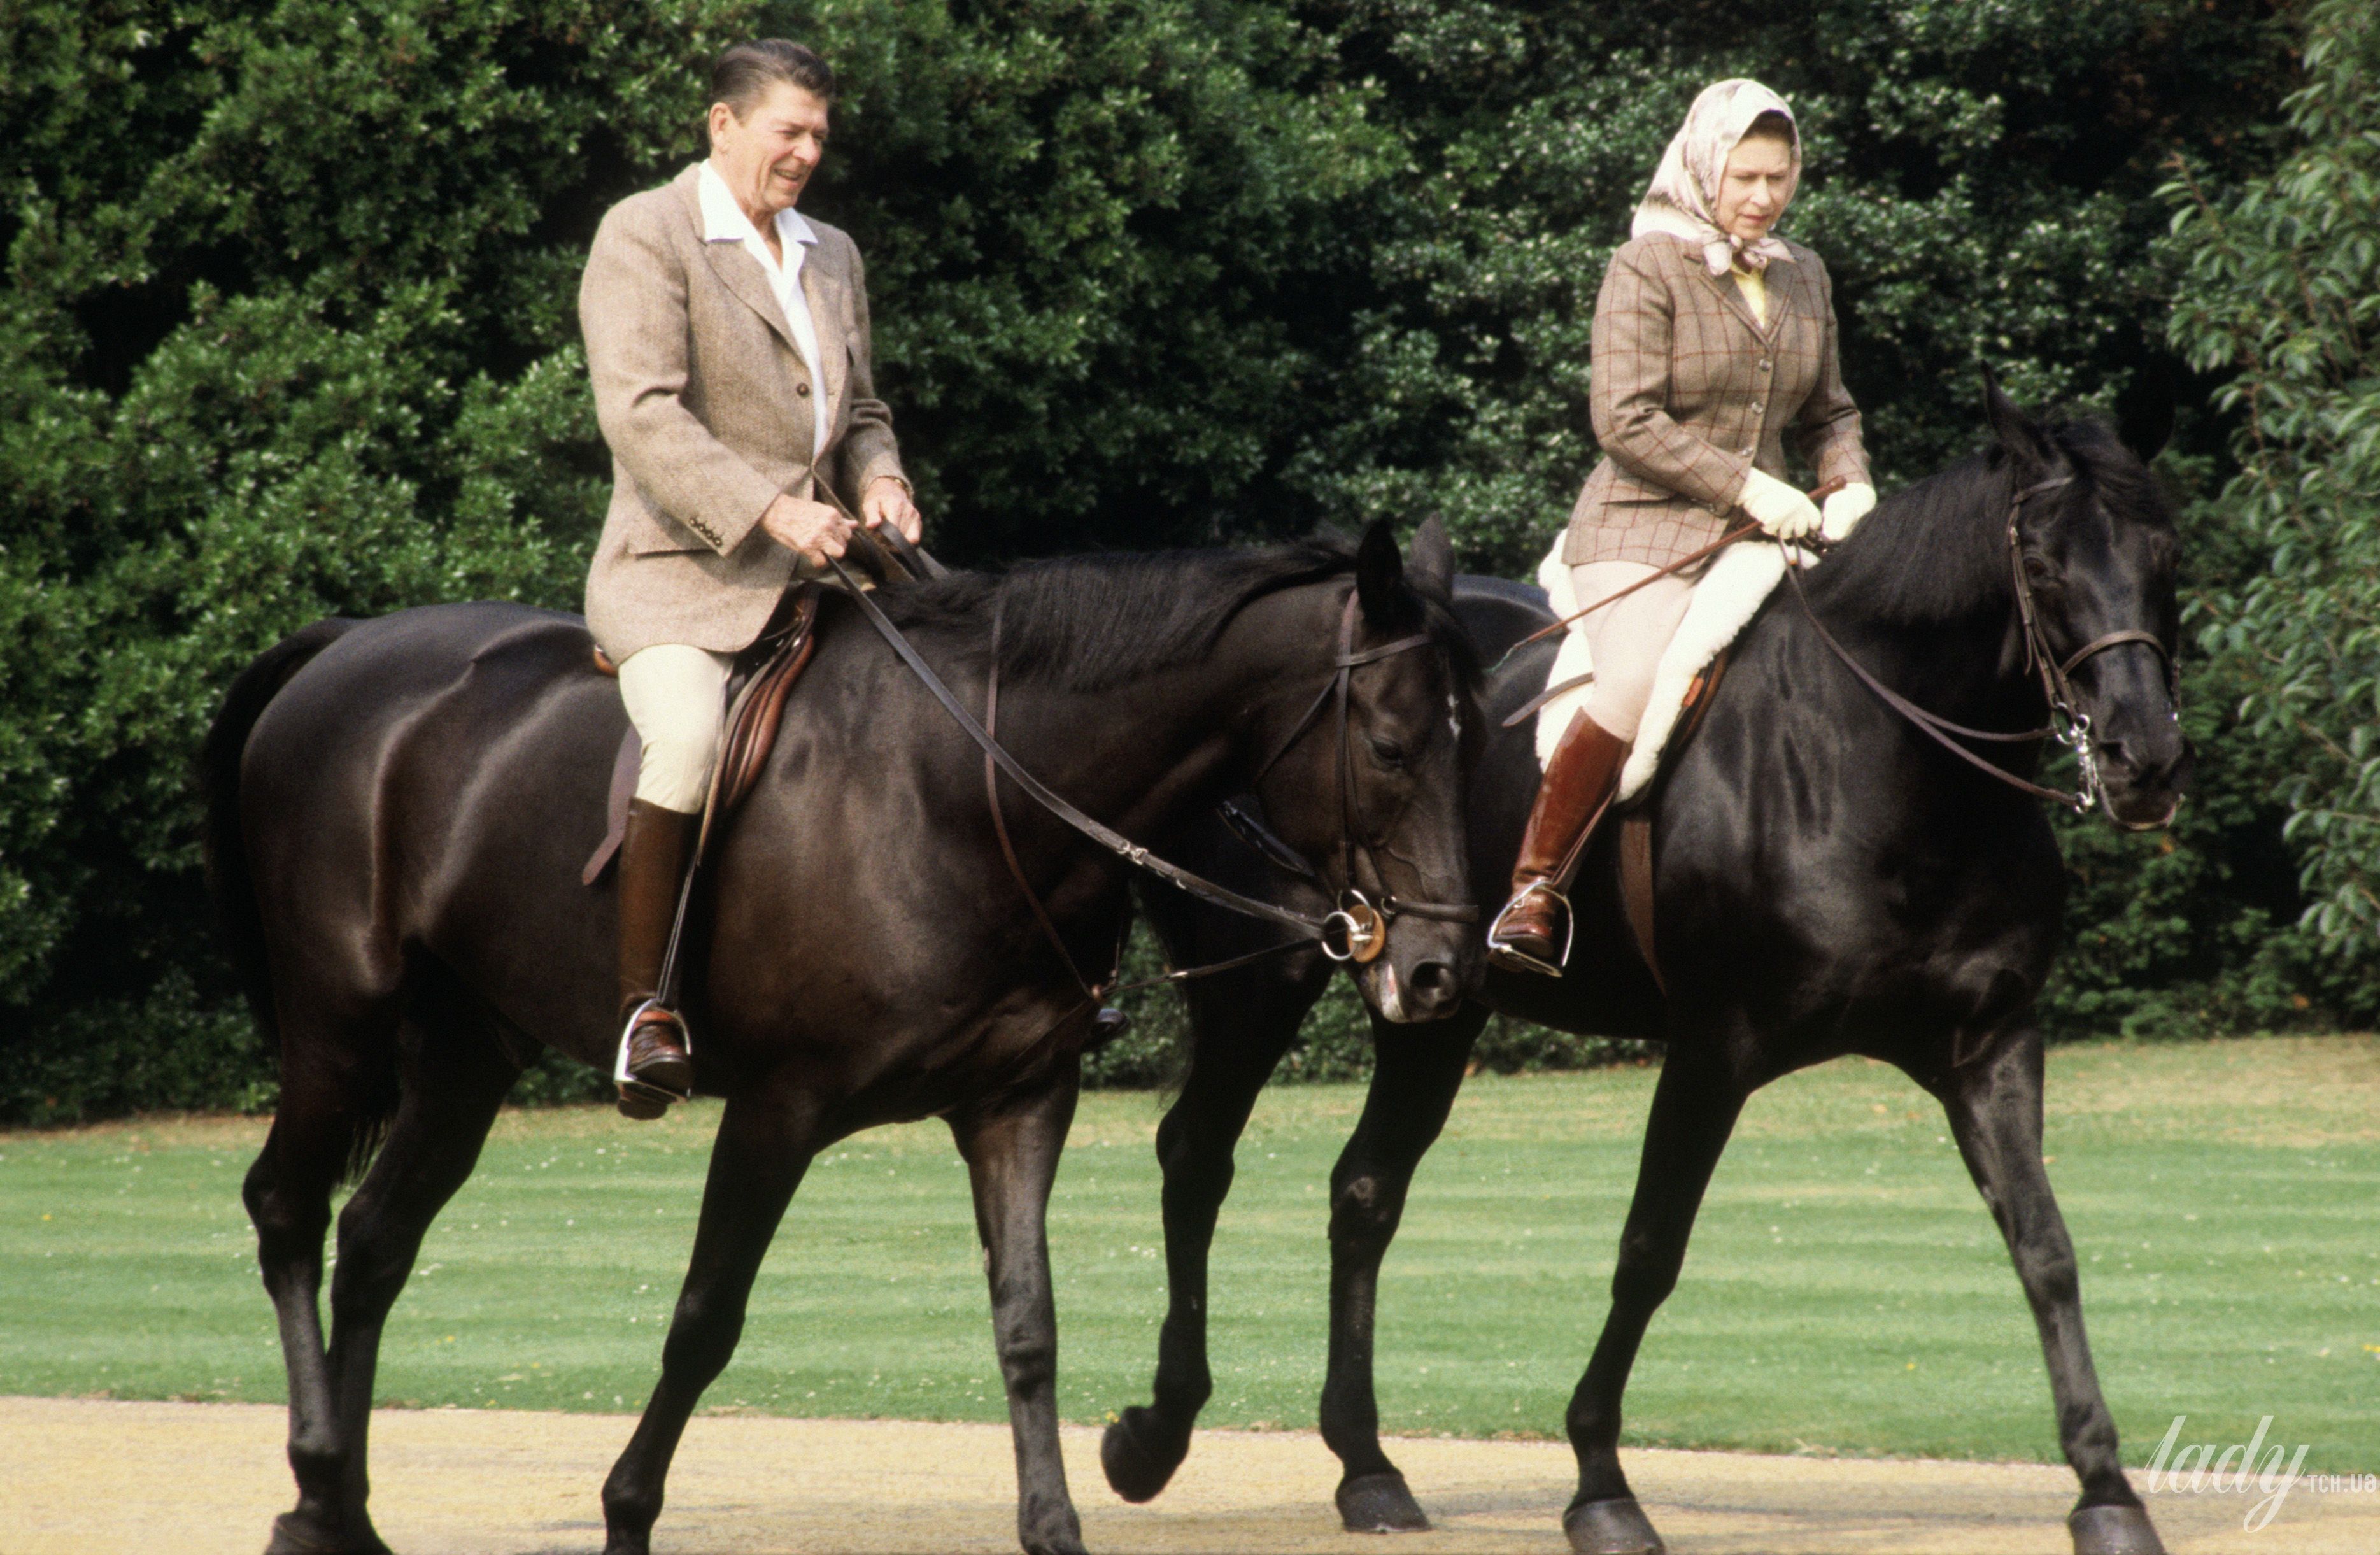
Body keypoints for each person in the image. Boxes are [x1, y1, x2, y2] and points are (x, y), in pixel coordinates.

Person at [581, 39, 920, 1114]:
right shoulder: (647, 232)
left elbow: (859, 412)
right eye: (789, 131)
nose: (808, 152)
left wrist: (884, 484)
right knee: (685, 736)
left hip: (830, 567)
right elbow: (640, 412)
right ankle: (646, 1010)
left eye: (819, 135)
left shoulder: (832, 253)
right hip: (683, 569)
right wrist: (768, 509)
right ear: (722, 125)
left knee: (981, 689)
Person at [1487, 78, 1875, 976]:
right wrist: (1749, 486)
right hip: (1642, 526)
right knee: (1627, 683)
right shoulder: (1645, 266)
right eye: (1744, 177)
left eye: (1777, 178)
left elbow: (1829, 411)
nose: (1761, 197)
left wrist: (1846, 479)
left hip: (1763, 533)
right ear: (1705, 167)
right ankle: (1533, 890)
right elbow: (1624, 420)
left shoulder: (1802, 271)